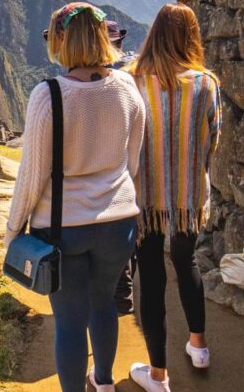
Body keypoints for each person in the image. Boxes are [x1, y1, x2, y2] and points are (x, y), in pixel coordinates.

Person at [5, 2, 145, 392]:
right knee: (104, 306)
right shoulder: (128, 88)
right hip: (118, 223)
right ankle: (103, 383)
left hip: (63, 229)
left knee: (69, 320)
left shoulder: (49, 95)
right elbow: (132, 159)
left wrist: (13, 229)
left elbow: (31, 175)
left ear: (62, 42)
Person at [126, 3, 222, 392]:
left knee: (150, 277)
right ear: (190, 37)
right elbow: (214, 138)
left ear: (154, 34)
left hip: (145, 196)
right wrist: (193, 169)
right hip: (188, 194)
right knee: (187, 263)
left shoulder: (132, 80)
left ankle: (159, 375)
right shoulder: (205, 83)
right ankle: (198, 346)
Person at [107, 20, 138, 315]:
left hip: (114, 171)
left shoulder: (104, 76)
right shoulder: (135, 67)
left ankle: (120, 296)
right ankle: (124, 291)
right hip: (136, 166)